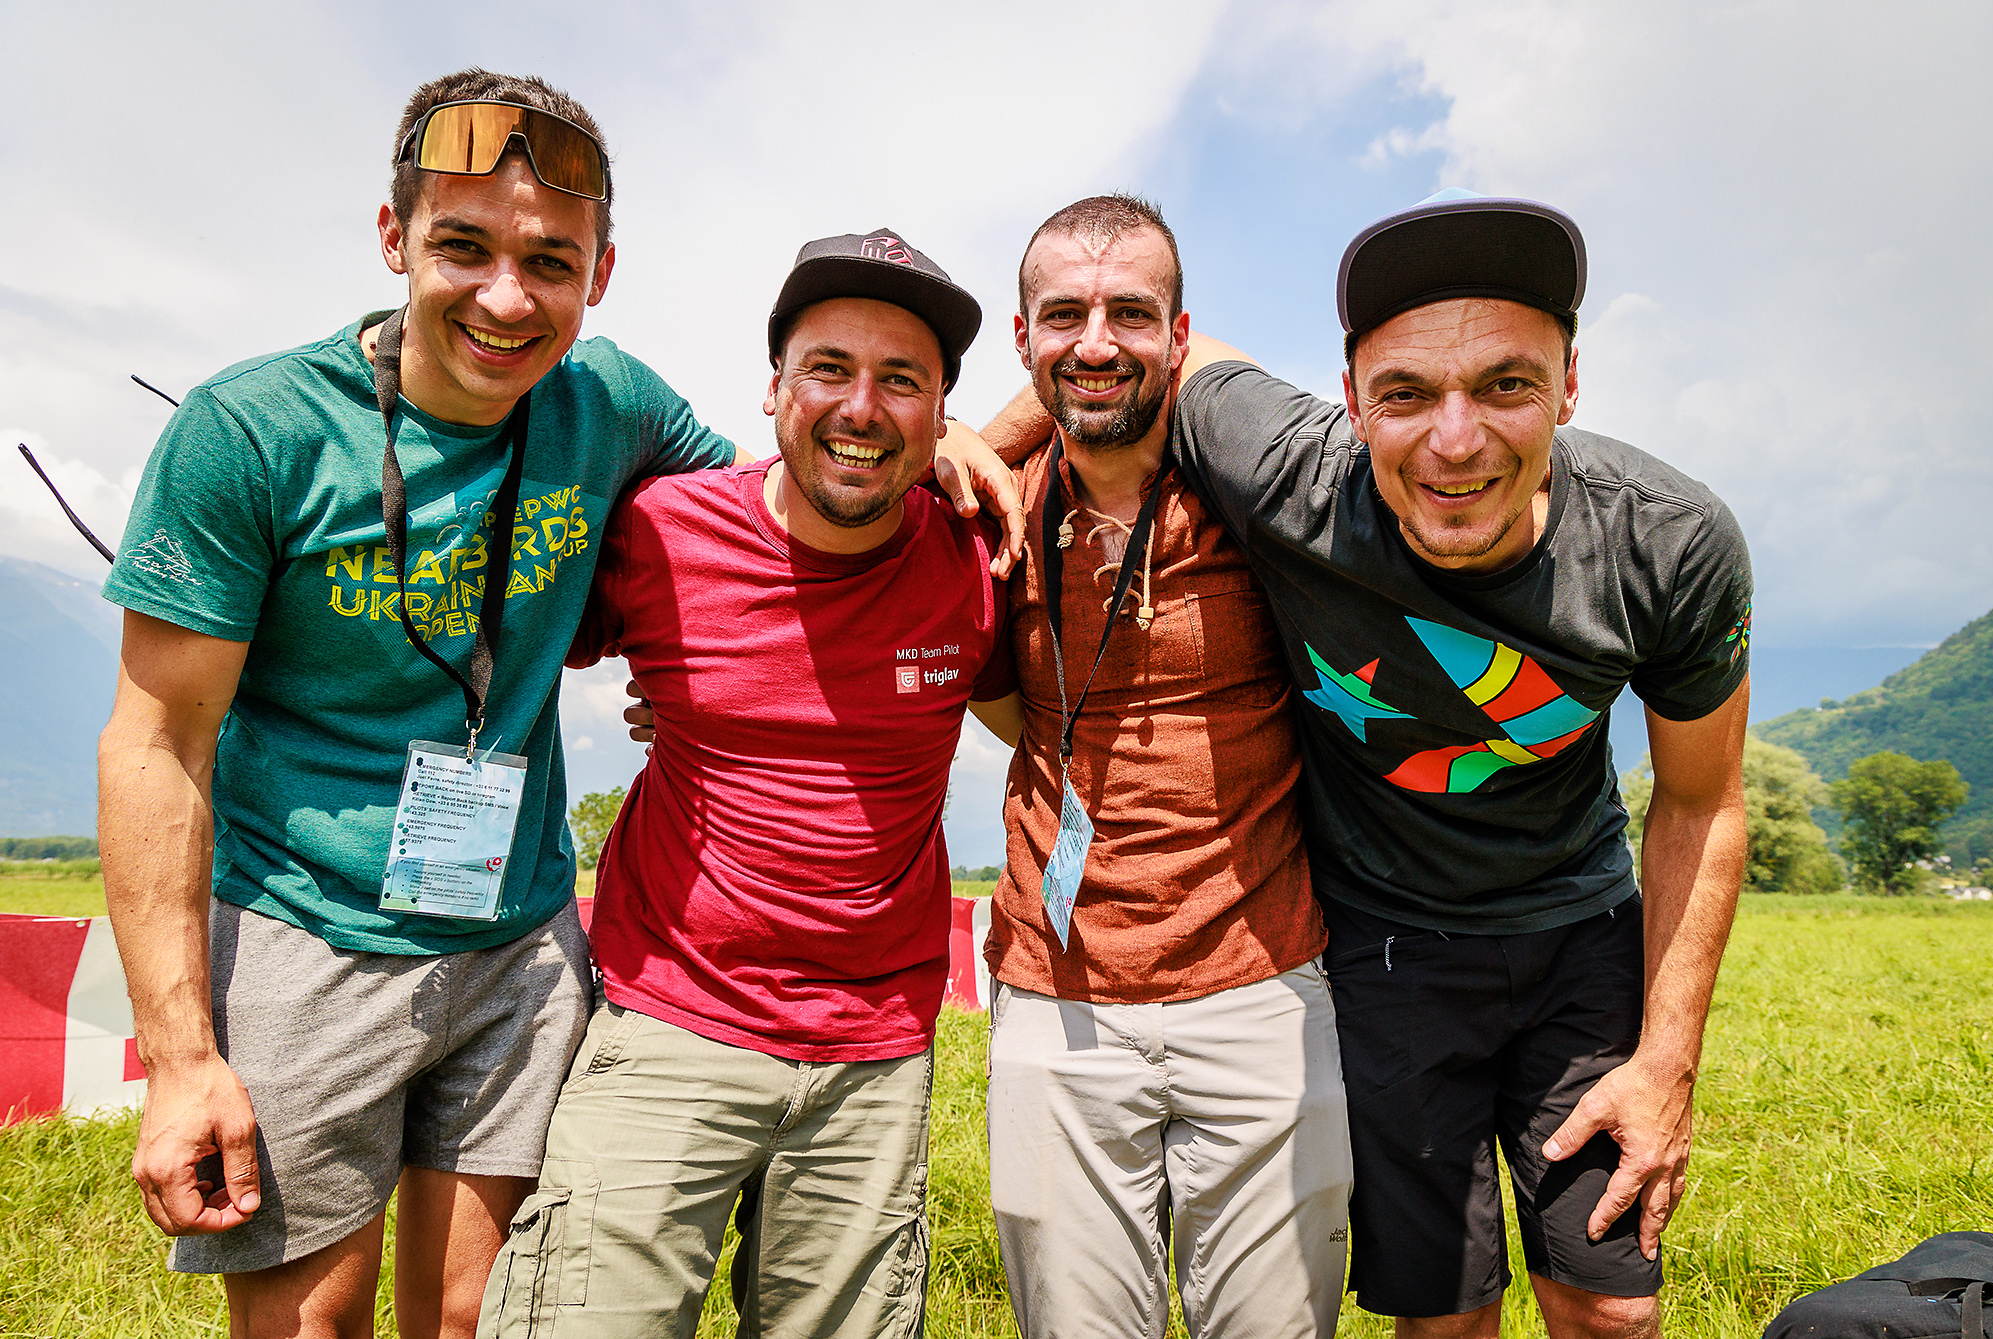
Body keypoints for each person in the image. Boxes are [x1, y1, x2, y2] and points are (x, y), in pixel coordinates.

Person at [976, 190, 1751, 1339]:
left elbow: (1702, 799)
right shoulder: (1293, 474)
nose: (1454, 438)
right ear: (1350, 403)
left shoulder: (1667, 543)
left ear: (1568, 386)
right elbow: (1118, 358)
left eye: (1504, 384)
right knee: (1441, 1311)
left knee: (1608, 1308)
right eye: (1404, 393)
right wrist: (969, 444)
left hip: (1577, 930)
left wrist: (1667, 1062)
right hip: (1382, 943)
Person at [96, 69, 741, 1338]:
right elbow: (156, 739)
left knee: (476, 1323)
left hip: (518, 938)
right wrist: (178, 1061)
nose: (507, 299)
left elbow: (761, 536)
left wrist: (938, 438)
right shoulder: (255, 431)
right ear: (393, 238)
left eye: (551, 261)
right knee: (308, 1325)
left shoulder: (607, 400)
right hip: (306, 928)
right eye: (463, 246)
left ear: (600, 273)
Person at [478, 230, 1018, 1339]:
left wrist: (985, 442)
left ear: (939, 416)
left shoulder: (979, 557)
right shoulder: (657, 533)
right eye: (829, 369)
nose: (861, 407)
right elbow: (503, 643)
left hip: (873, 1054)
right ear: (774, 387)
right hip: (669, 1022)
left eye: (902, 381)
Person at [982, 195, 1349, 1339]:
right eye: (1065, 316)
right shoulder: (989, 514)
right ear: (1022, 335)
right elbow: (998, 700)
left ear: (1181, 338)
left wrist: (980, 431)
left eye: (1131, 314)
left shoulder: (1251, 493)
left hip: (1263, 983)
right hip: (1058, 994)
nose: (1095, 342)